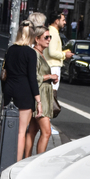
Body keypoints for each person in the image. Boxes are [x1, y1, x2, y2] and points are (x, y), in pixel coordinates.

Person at [2, 20, 40, 162]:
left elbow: (5, 73)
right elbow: (32, 78)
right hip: (24, 92)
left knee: (7, 128)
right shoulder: (31, 53)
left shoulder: (11, 50)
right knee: (21, 132)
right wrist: (38, 100)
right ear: (32, 36)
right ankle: (16, 163)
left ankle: (3, 159)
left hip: (9, 90)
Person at [25, 25, 58, 157]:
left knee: (33, 130)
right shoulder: (35, 54)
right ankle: (37, 160)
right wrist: (50, 76)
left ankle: (26, 158)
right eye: (46, 37)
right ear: (37, 39)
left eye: (50, 37)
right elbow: (33, 77)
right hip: (40, 97)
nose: (49, 39)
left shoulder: (41, 54)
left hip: (42, 95)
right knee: (47, 132)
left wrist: (51, 79)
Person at [45, 11, 73, 91]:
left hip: (52, 66)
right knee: (53, 92)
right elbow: (52, 52)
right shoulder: (52, 33)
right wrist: (64, 55)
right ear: (57, 21)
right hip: (53, 66)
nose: (65, 22)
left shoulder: (53, 32)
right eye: (63, 20)